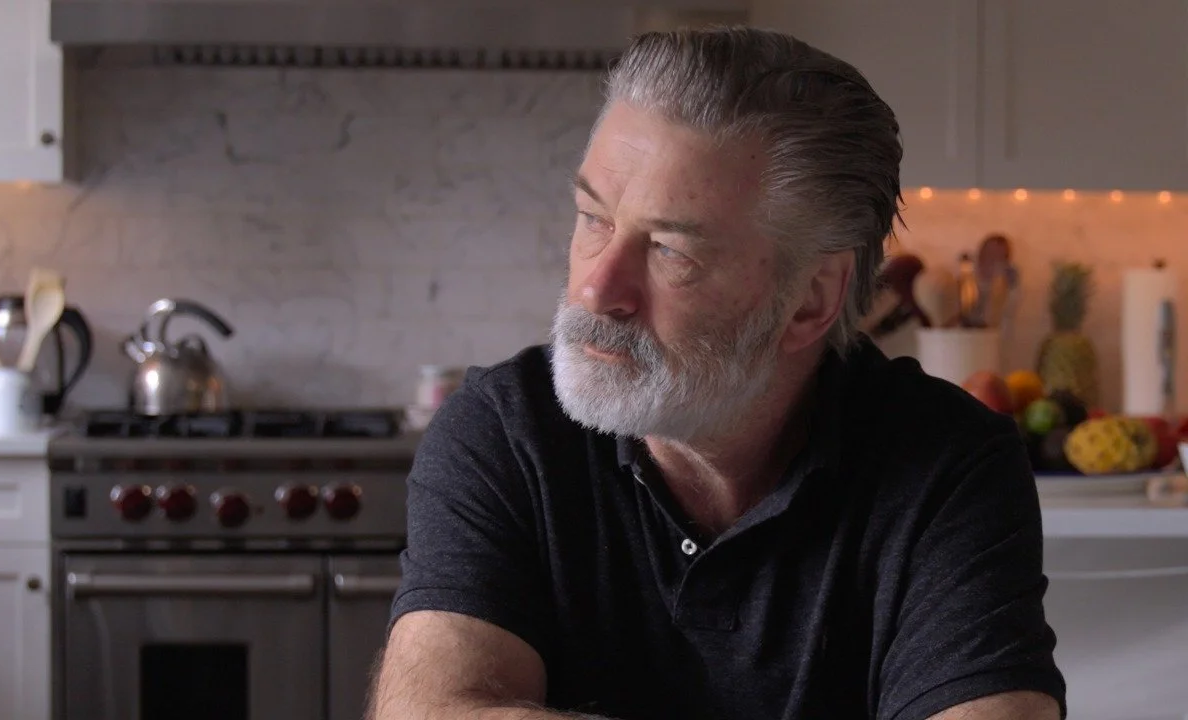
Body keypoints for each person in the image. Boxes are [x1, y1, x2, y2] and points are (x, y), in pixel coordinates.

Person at [369, 26, 1066, 720]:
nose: (595, 288)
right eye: (593, 218)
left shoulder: (948, 464)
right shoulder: (503, 433)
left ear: (809, 300)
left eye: (670, 251)